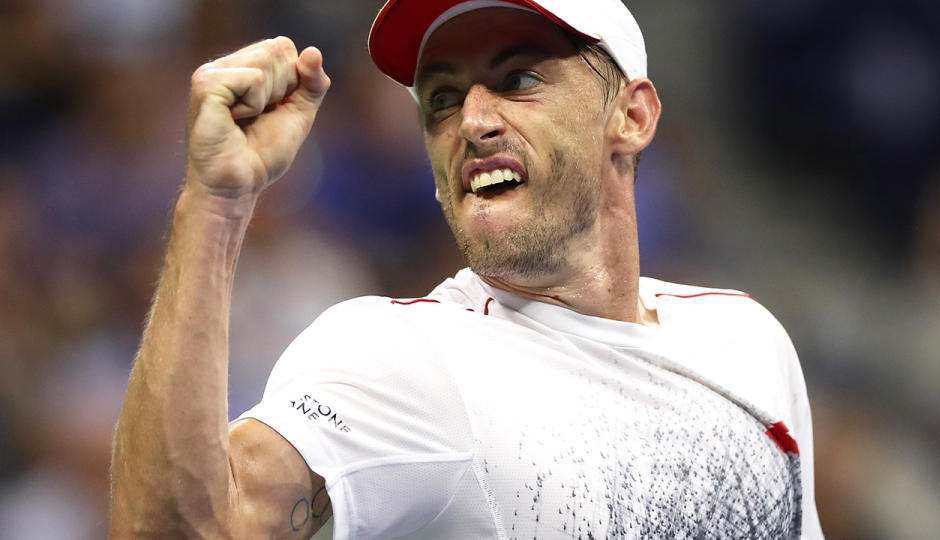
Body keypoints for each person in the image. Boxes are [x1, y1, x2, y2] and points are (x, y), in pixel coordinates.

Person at [110, 0, 823, 538]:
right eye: (443, 98)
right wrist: (216, 205)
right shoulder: (408, 360)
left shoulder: (748, 340)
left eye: (516, 79)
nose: (472, 122)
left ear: (631, 117)